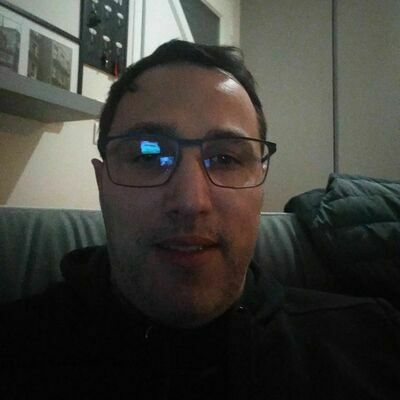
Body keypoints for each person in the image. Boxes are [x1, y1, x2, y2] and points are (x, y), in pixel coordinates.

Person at [0, 40, 399, 399]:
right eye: (149, 156)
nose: (191, 201)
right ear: (102, 184)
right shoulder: (17, 349)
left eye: (225, 158)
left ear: (261, 184)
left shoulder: (374, 342)